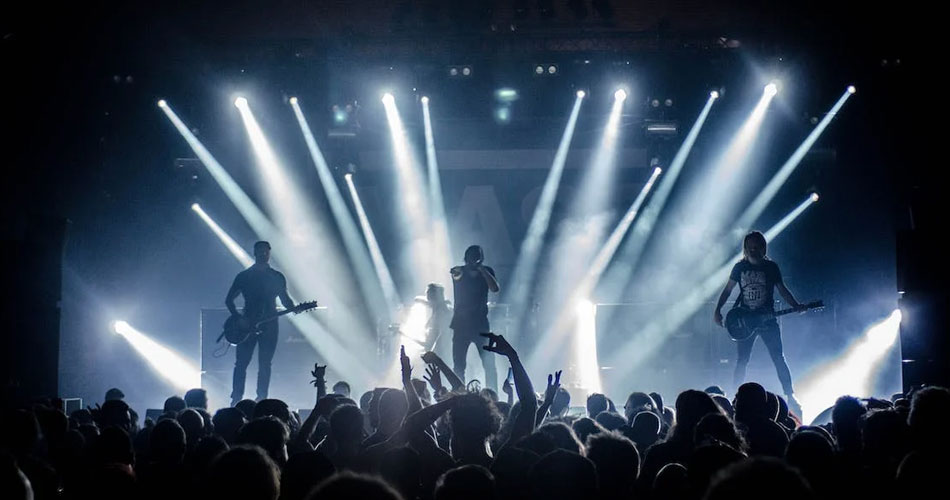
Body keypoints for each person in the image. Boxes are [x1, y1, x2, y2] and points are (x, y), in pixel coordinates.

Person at [713, 231, 805, 412]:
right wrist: (718, 310)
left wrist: (795, 305)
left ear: (763, 248)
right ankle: (735, 397)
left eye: (757, 247)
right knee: (742, 360)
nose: (753, 251)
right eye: (750, 248)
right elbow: (727, 290)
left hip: (768, 320)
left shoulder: (771, 267)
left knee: (778, 357)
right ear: (745, 249)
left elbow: (782, 289)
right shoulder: (739, 268)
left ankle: (790, 394)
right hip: (745, 322)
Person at [225, 241, 297, 406]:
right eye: (260, 252)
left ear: (269, 253)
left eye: (266, 252)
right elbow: (229, 300)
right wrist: (238, 318)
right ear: (255, 253)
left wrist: (295, 308)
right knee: (242, 363)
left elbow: (285, 300)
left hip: (270, 325)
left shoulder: (276, 277)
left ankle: (261, 399)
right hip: (246, 325)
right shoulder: (244, 276)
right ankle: (236, 399)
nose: (263, 254)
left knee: (265, 364)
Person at [450, 245, 500, 390]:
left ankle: (492, 394)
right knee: (459, 365)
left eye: (477, 256)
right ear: (466, 258)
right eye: (471, 256)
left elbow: (495, 288)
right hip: (461, 325)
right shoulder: (459, 271)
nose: (474, 260)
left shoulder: (487, 271)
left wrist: (482, 270)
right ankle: (459, 395)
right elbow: (456, 276)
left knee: (489, 364)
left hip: (481, 325)